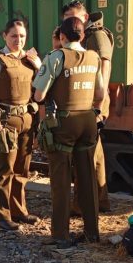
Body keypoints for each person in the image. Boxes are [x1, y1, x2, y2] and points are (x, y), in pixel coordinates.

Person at [33, 17, 106, 248]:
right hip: (88, 120)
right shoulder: (94, 57)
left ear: (62, 37)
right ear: (82, 36)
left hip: (63, 124)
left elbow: (39, 96)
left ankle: (60, 235)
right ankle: (92, 233)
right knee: (87, 180)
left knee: (61, 181)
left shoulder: (56, 57)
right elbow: (101, 94)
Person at [0, 19, 42, 231]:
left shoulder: (30, 60)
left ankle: (19, 211)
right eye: (13, 36)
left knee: (22, 169)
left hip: (27, 121)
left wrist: (39, 66)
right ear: (5, 36)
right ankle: (1, 216)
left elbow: (41, 89)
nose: (18, 40)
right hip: (5, 123)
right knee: (5, 169)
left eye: (22, 36)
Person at [61, 0, 114, 213]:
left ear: (85, 17)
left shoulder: (97, 36)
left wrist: (97, 106)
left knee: (88, 155)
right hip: (85, 100)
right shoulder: (83, 36)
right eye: (67, 20)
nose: (72, 22)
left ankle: (86, 203)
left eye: (75, 17)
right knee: (94, 154)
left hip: (91, 100)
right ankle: (97, 201)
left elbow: (104, 68)